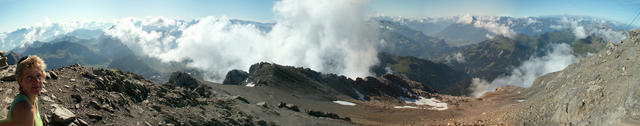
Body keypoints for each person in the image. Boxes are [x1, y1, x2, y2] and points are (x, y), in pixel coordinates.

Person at [0, 56, 45, 126]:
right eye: (29, 77)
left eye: (38, 76)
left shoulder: (33, 98)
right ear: (20, 81)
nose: (36, 81)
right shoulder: (26, 110)